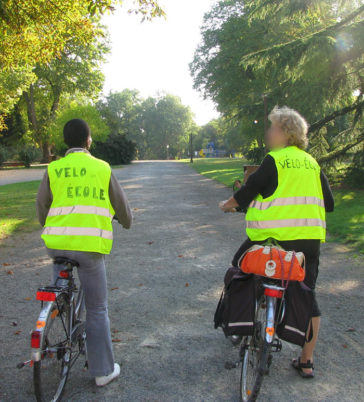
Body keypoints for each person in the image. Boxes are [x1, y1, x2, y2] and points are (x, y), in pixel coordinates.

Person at [219, 106, 334, 379]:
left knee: (240, 269)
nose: (268, 132)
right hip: (308, 245)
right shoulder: (312, 163)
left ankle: (243, 326)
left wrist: (226, 205)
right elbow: (328, 203)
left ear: (285, 133)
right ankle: (306, 361)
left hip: (273, 242)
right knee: (308, 294)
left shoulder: (275, 160)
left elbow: (246, 193)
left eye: (272, 128)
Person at [36, 118, 133, 386]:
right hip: (89, 248)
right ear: (88, 140)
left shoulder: (54, 168)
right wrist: (126, 221)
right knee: (97, 308)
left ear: (66, 142)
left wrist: (51, 226)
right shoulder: (101, 167)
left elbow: (42, 206)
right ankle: (102, 372)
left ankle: (55, 319)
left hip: (56, 245)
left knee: (58, 292)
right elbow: (121, 206)